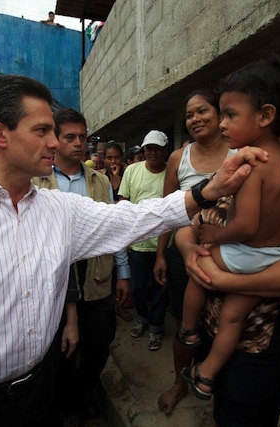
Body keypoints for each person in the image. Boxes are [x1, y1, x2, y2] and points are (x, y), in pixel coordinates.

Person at [0, 74, 261, 427]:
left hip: (39, 394)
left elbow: (133, 218)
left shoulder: (60, 210)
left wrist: (206, 191)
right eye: (42, 131)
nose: (55, 142)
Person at [178, 54, 280, 402]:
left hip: (244, 254)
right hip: (272, 257)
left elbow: (246, 225)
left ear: (265, 115)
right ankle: (206, 375)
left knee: (199, 266)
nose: (222, 124)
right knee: (232, 317)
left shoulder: (252, 164)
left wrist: (215, 235)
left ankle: (187, 330)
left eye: (230, 115)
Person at [32, 109, 131, 422]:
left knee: (100, 341)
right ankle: (63, 400)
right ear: (55, 139)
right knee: (57, 348)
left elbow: (114, 228)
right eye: (70, 137)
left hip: (97, 274)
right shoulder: (37, 181)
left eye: (83, 137)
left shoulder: (99, 181)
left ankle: (84, 391)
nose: (78, 143)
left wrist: (123, 273)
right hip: (55, 280)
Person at [157, 88, 237, 415]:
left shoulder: (239, 151)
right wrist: (161, 255)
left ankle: (215, 380)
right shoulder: (179, 158)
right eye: (189, 115)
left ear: (220, 115)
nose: (195, 119)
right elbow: (165, 211)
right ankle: (180, 381)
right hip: (184, 252)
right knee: (184, 322)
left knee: (227, 320)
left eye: (202, 111)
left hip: (231, 253)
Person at [118, 130, 170, 351]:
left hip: (164, 243)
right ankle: (142, 318)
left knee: (160, 288)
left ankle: (156, 328)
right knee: (138, 287)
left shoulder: (171, 173)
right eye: (149, 148)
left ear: (165, 150)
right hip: (137, 243)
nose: (152, 152)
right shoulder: (132, 170)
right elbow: (124, 202)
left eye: (157, 148)